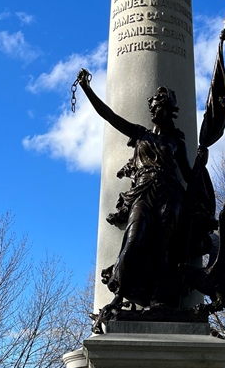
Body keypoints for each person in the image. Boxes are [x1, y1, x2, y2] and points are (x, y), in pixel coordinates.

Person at [76, 69, 198, 313]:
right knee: (133, 241)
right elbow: (109, 116)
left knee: (165, 248)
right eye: (152, 106)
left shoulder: (176, 143)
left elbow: (189, 175)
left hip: (170, 194)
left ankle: (158, 297)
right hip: (143, 191)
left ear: (170, 110)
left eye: (159, 106)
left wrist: (201, 165)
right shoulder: (140, 134)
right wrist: (88, 90)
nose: (154, 110)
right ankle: (120, 293)